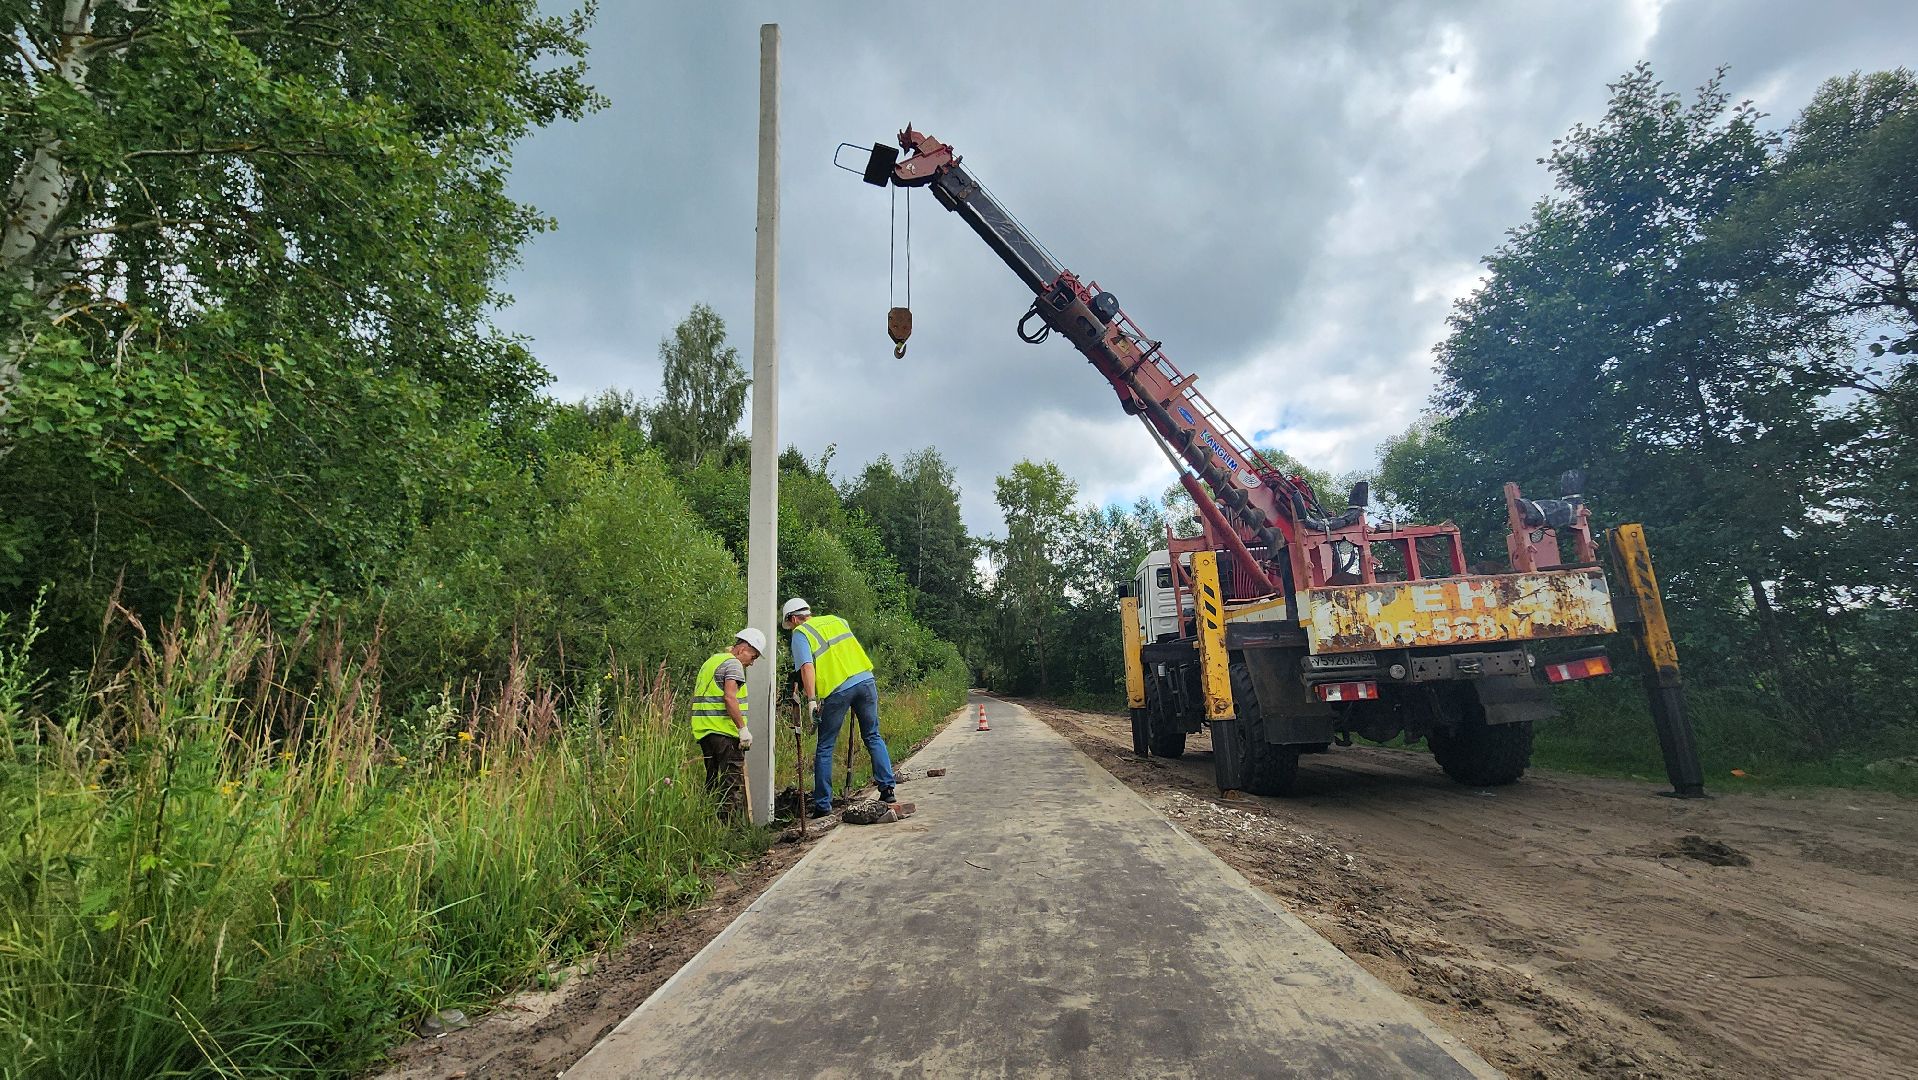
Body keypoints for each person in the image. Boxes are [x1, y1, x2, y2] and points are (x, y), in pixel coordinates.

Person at [783, 597, 897, 817]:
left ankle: (823, 805)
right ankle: (888, 790)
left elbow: (807, 667)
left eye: (790, 625)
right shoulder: (837, 620)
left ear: (794, 619)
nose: (791, 629)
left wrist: (811, 699)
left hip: (837, 690)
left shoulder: (801, 633)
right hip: (865, 681)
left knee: (825, 746)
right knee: (872, 735)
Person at [692, 627, 766, 819]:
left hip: (706, 732)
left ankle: (708, 822)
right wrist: (743, 729)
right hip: (725, 734)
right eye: (753, 656)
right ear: (743, 648)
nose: (752, 662)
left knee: (713, 781)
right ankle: (726, 827)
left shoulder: (712, 662)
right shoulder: (733, 665)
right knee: (731, 785)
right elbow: (729, 697)